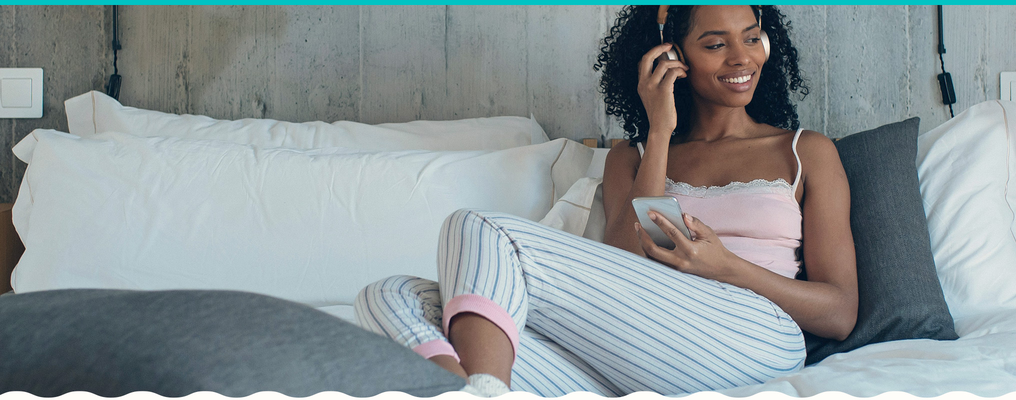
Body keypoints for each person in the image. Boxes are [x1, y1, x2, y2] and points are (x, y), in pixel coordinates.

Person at [354, 5, 858, 396]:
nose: (742, 58)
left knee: (478, 228)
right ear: (672, 55)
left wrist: (726, 266)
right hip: (637, 347)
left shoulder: (803, 151)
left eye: (751, 37)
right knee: (389, 296)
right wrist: (659, 130)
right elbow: (619, 265)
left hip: (755, 337)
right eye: (715, 44)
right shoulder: (632, 157)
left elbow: (839, 311)